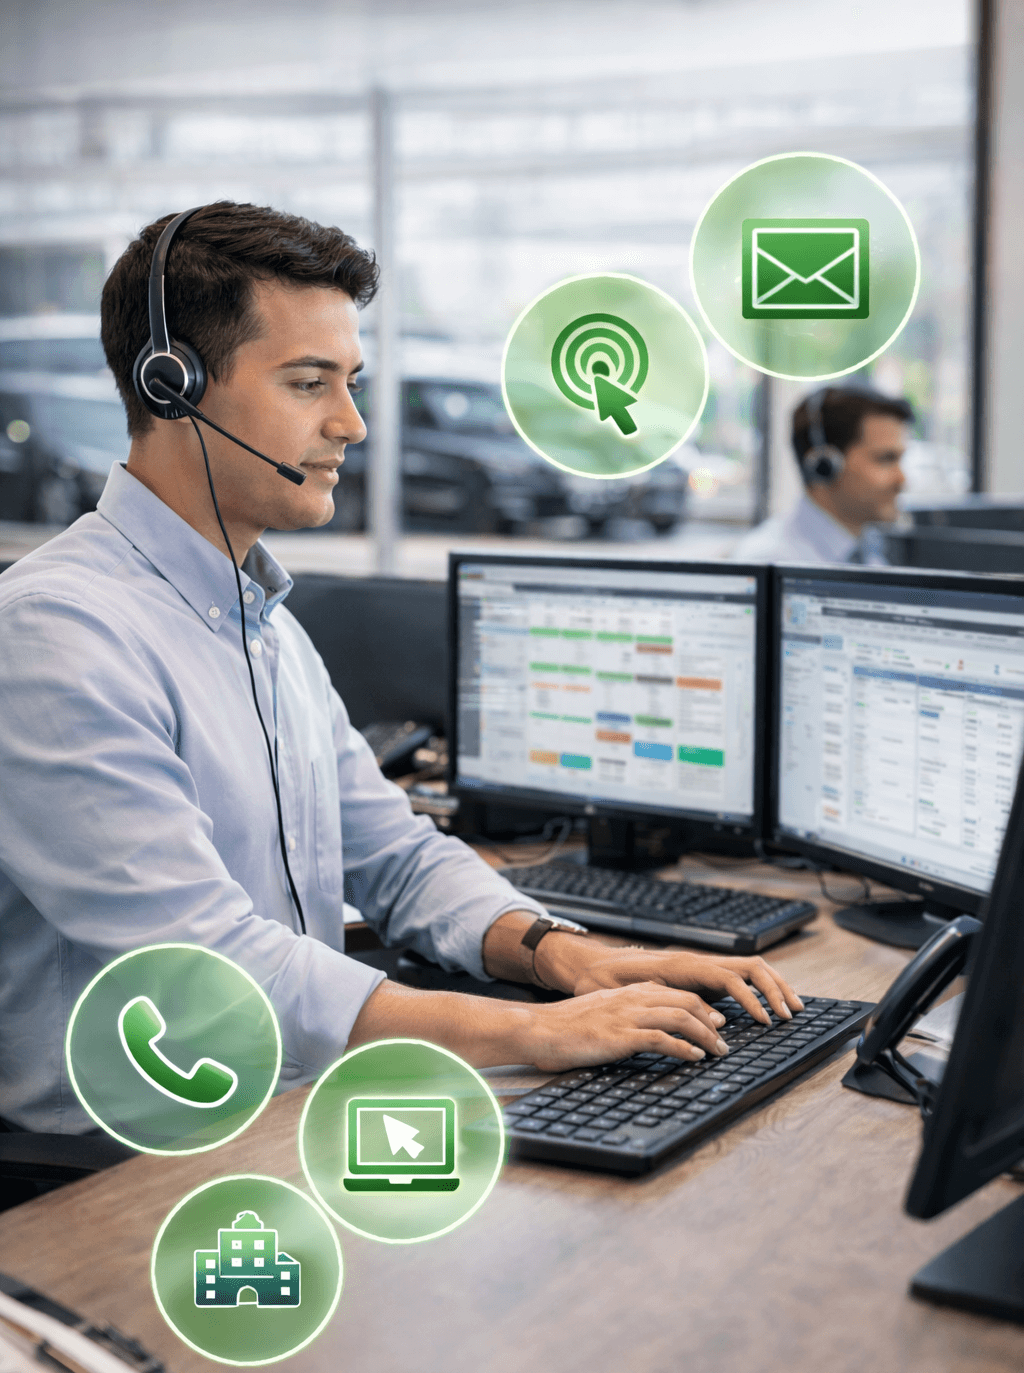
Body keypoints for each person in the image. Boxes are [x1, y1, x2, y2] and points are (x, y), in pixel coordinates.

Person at [0, 202, 801, 1135]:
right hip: (126, 1166)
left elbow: (398, 856)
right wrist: (534, 1034)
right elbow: (209, 970)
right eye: (309, 384)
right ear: (174, 389)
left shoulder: (261, 624)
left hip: (284, 1107)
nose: (353, 424)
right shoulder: (58, 636)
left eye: (352, 382)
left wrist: (561, 958)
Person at [733, 385, 914, 564]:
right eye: (886, 459)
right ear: (825, 465)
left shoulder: (870, 551)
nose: (902, 479)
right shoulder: (770, 566)